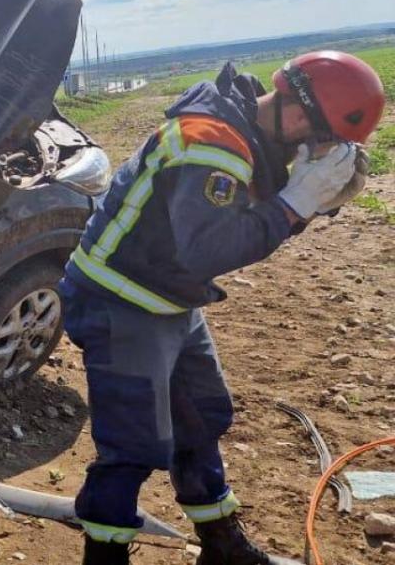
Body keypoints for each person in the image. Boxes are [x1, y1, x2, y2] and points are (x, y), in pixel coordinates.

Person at [60, 51, 384, 564]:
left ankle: (219, 543)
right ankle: (104, 555)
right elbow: (209, 250)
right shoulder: (211, 145)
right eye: (319, 140)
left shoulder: (251, 129)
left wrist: (306, 200)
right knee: (133, 444)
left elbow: (238, 220)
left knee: (201, 417)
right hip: (119, 299)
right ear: (298, 115)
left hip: (168, 297)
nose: (314, 152)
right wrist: (293, 204)